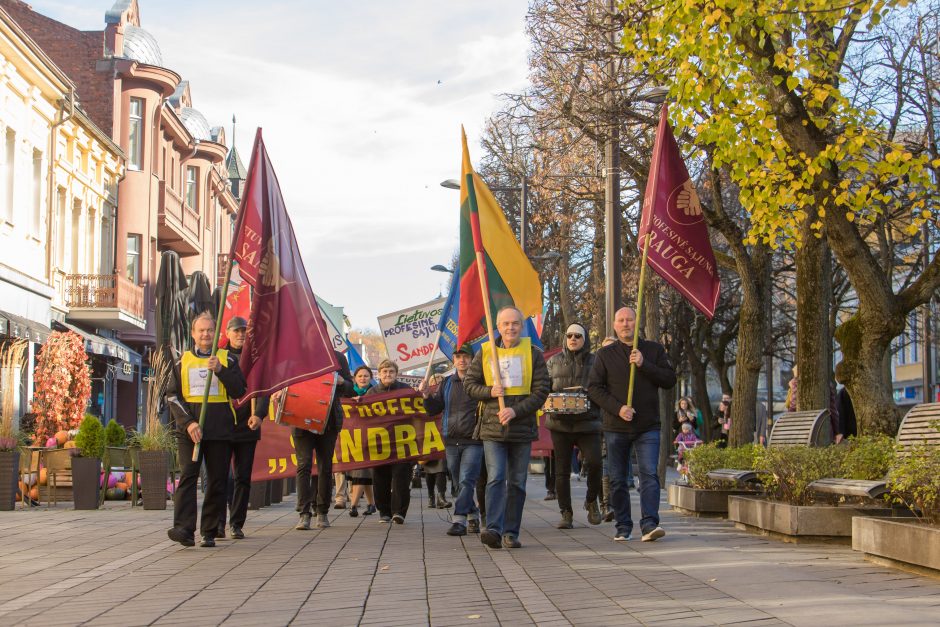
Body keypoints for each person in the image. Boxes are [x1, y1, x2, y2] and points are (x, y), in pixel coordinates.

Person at [464, 306, 551, 550]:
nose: (510, 327)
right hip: (493, 429)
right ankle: (493, 528)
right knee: (496, 478)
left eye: (515, 323)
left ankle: (511, 532)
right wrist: (489, 391)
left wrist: (515, 410)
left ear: (521, 326)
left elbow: (541, 391)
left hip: (521, 428)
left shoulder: (533, 354)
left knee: (517, 483)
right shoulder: (484, 353)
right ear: (498, 327)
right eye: (506, 324)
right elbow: (470, 385)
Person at [588, 307, 676, 543]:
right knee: (617, 478)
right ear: (615, 326)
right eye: (621, 320)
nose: (626, 324)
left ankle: (649, 524)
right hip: (616, 427)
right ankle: (623, 525)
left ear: (637, 323)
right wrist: (618, 408)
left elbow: (669, 380)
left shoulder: (653, 350)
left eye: (630, 320)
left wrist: (645, 364)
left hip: (648, 426)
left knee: (649, 474)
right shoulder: (605, 355)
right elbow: (594, 389)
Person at [166, 312, 247, 548]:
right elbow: (172, 396)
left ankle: (209, 531)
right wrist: (189, 423)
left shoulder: (227, 359)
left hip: (219, 428)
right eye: (201, 331)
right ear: (193, 334)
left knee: (217, 480)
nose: (205, 335)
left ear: (216, 333)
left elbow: (240, 390)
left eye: (210, 330)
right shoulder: (182, 362)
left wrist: (221, 371)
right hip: (190, 429)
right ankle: (184, 528)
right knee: (188, 476)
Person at [545, 323, 603, 529]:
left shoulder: (596, 361)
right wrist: (550, 402)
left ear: (585, 339)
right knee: (561, 471)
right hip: (560, 424)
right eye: (569, 335)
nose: (573, 339)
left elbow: (602, 389)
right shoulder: (553, 362)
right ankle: (566, 512)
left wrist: (590, 399)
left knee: (595, 463)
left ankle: (591, 500)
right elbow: (543, 389)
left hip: (588, 422)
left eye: (578, 335)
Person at [421, 343, 482, 536]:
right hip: (451, 440)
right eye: (457, 357)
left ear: (472, 359)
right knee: (457, 482)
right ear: (453, 360)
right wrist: (426, 396)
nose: (461, 360)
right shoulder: (446, 383)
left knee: (466, 480)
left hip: (473, 439)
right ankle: (473, 515)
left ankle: (459, 520)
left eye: (465, 356)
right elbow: (434, 409)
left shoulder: (480, 380)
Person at [218, 316, 268, 540]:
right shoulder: (217, 357)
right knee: (221, 477)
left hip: (248, 424)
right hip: (222, 423)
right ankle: (217, 523)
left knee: (242, 477)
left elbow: (264, 390)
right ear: (227, 333)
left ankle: (236, 523)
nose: (240, 335)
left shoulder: (256, 359)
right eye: (236, 331)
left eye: (243, 331)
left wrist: (259, 415)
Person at [293, 350, 354, 530]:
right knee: (303, 465)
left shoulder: (337, 358)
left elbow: (351, 388)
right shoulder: (298, 355)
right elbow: (284, 381)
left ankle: (322, 511)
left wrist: (343, 382)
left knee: (325, 466)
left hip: (328, 419)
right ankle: (304, 513)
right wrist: (280, 393)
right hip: (301, 417)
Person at [366, 359, 414, 524]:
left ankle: (399, 512)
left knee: (402, 477)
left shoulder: (406, 390)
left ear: (396, 374)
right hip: (379, 444)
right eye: (385, 372)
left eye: (391, 372)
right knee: (380, 478)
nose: (388, 374)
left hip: (403, 442)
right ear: (379, 374)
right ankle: (384, 511)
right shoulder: (371, 393)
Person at [348, 365, 377, 517]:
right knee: (363, 471)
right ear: (355, 378)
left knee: (361, 469)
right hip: (354, 437)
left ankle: (353, 506)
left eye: (366, 376)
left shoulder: (375, 392)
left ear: (371, 378)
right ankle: (371, 504)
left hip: (371, 437)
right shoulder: (349, 392)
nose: (363, 378)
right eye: (360, 376)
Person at [834, 361, 857, 444]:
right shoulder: (843, 393)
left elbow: (839, 412)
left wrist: (840, 431)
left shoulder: (843, 393)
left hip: (851, 431)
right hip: (852, 431)